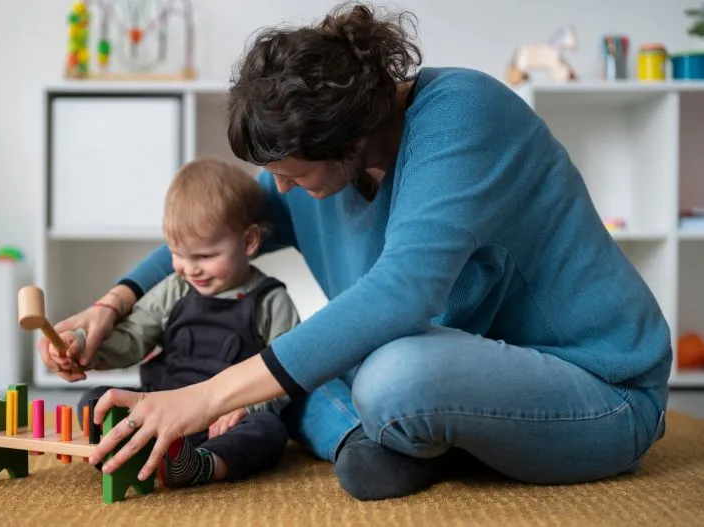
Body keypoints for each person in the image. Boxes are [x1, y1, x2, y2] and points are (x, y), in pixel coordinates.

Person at [39, 2, 672, 502]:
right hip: (470, 374)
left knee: (392, 375)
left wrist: (205, 396)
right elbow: (222, 227)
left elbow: (403, 293)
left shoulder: (464, 114)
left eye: (290, 174)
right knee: (305, 365)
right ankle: (368, 447)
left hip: (600, 391)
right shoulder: (321, 169)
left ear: (350, 136)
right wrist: (112, 302)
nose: (278, 189)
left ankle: (401, 432)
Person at [43, 156, 300, 488]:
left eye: (205, 256)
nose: (190, 269)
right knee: (97, 401)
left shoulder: (270, 300)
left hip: (223, 420)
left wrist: (248, 407)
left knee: (269, 429)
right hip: (160, 404)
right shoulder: (174, 288)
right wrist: (84, 344)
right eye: (178, 254)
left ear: (249, 241)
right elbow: (133, 337)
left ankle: (205, 465)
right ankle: (143, 453)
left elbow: (286, 370)